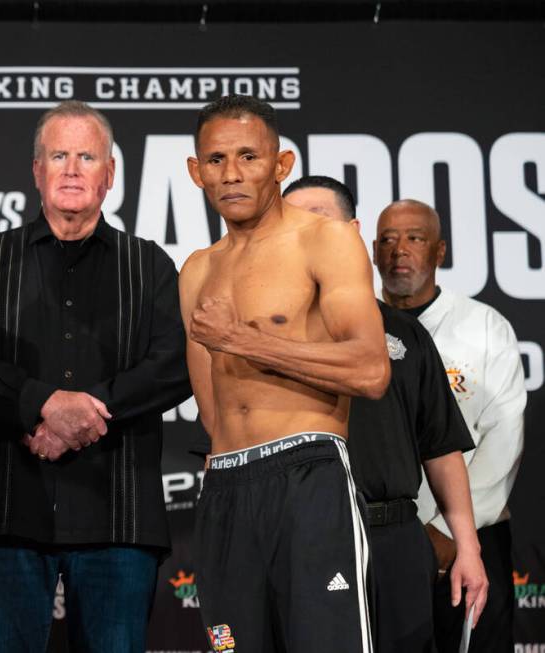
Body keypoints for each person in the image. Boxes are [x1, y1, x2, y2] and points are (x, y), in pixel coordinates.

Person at [0, 100, 191, 653]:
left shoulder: (149, 263)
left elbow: (175, 365)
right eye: (58, 155)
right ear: (36, 170)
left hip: (119, 520)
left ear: (110, 175)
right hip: (9, 513)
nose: (71, 168)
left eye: (87, 156)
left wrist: (85, 412)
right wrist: (41, 403)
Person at [180, 95, 390, 652]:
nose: (232, 174)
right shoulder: (196, 271)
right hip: (225, 486)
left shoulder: (326, 240)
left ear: (281, 164)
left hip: (307, 476)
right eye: (217, 160)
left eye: (249, 156)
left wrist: (243, 340)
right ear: (196, 171)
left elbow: (371, 369)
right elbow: (211, 408)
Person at [284, 176, 488, 652]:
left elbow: (440, 446)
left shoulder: (405, 335)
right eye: (292, 226)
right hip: (300, 538)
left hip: (393, 537)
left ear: (353, 231)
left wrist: (469, 547)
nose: (306, 236)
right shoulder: (263, 338)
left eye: (320, 222)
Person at [375, 199, 526, 653]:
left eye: (415, 238)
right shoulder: (354, 329)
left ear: (440, 252)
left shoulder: (484, 327)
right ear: (371, 251)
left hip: (472, 537)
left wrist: (447, 530)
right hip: (383, 538)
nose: (399, 249)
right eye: (387, 239)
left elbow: (505, 435)